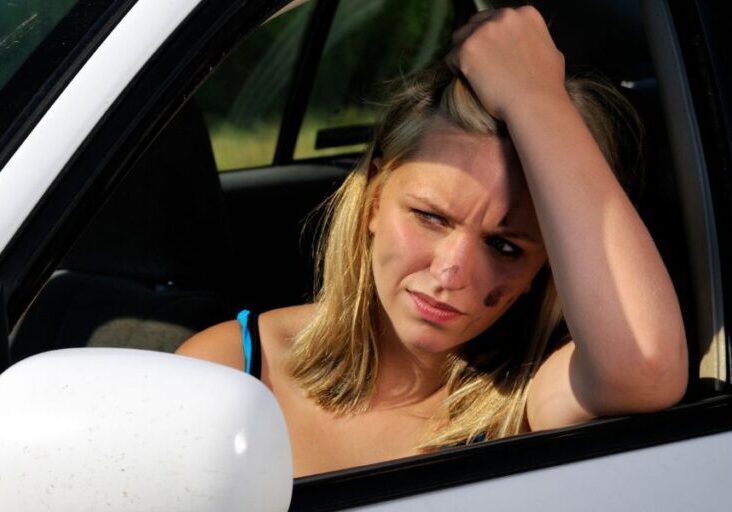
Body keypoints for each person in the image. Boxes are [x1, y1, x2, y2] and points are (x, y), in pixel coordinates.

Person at [177, 7, 688, 477]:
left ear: (544, 271)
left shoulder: (524, 401)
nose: (452, 271)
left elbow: (645, 368)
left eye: (506, 247)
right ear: (374, 199)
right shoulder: (231, 368)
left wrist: (537, 98)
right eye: (430, 217)